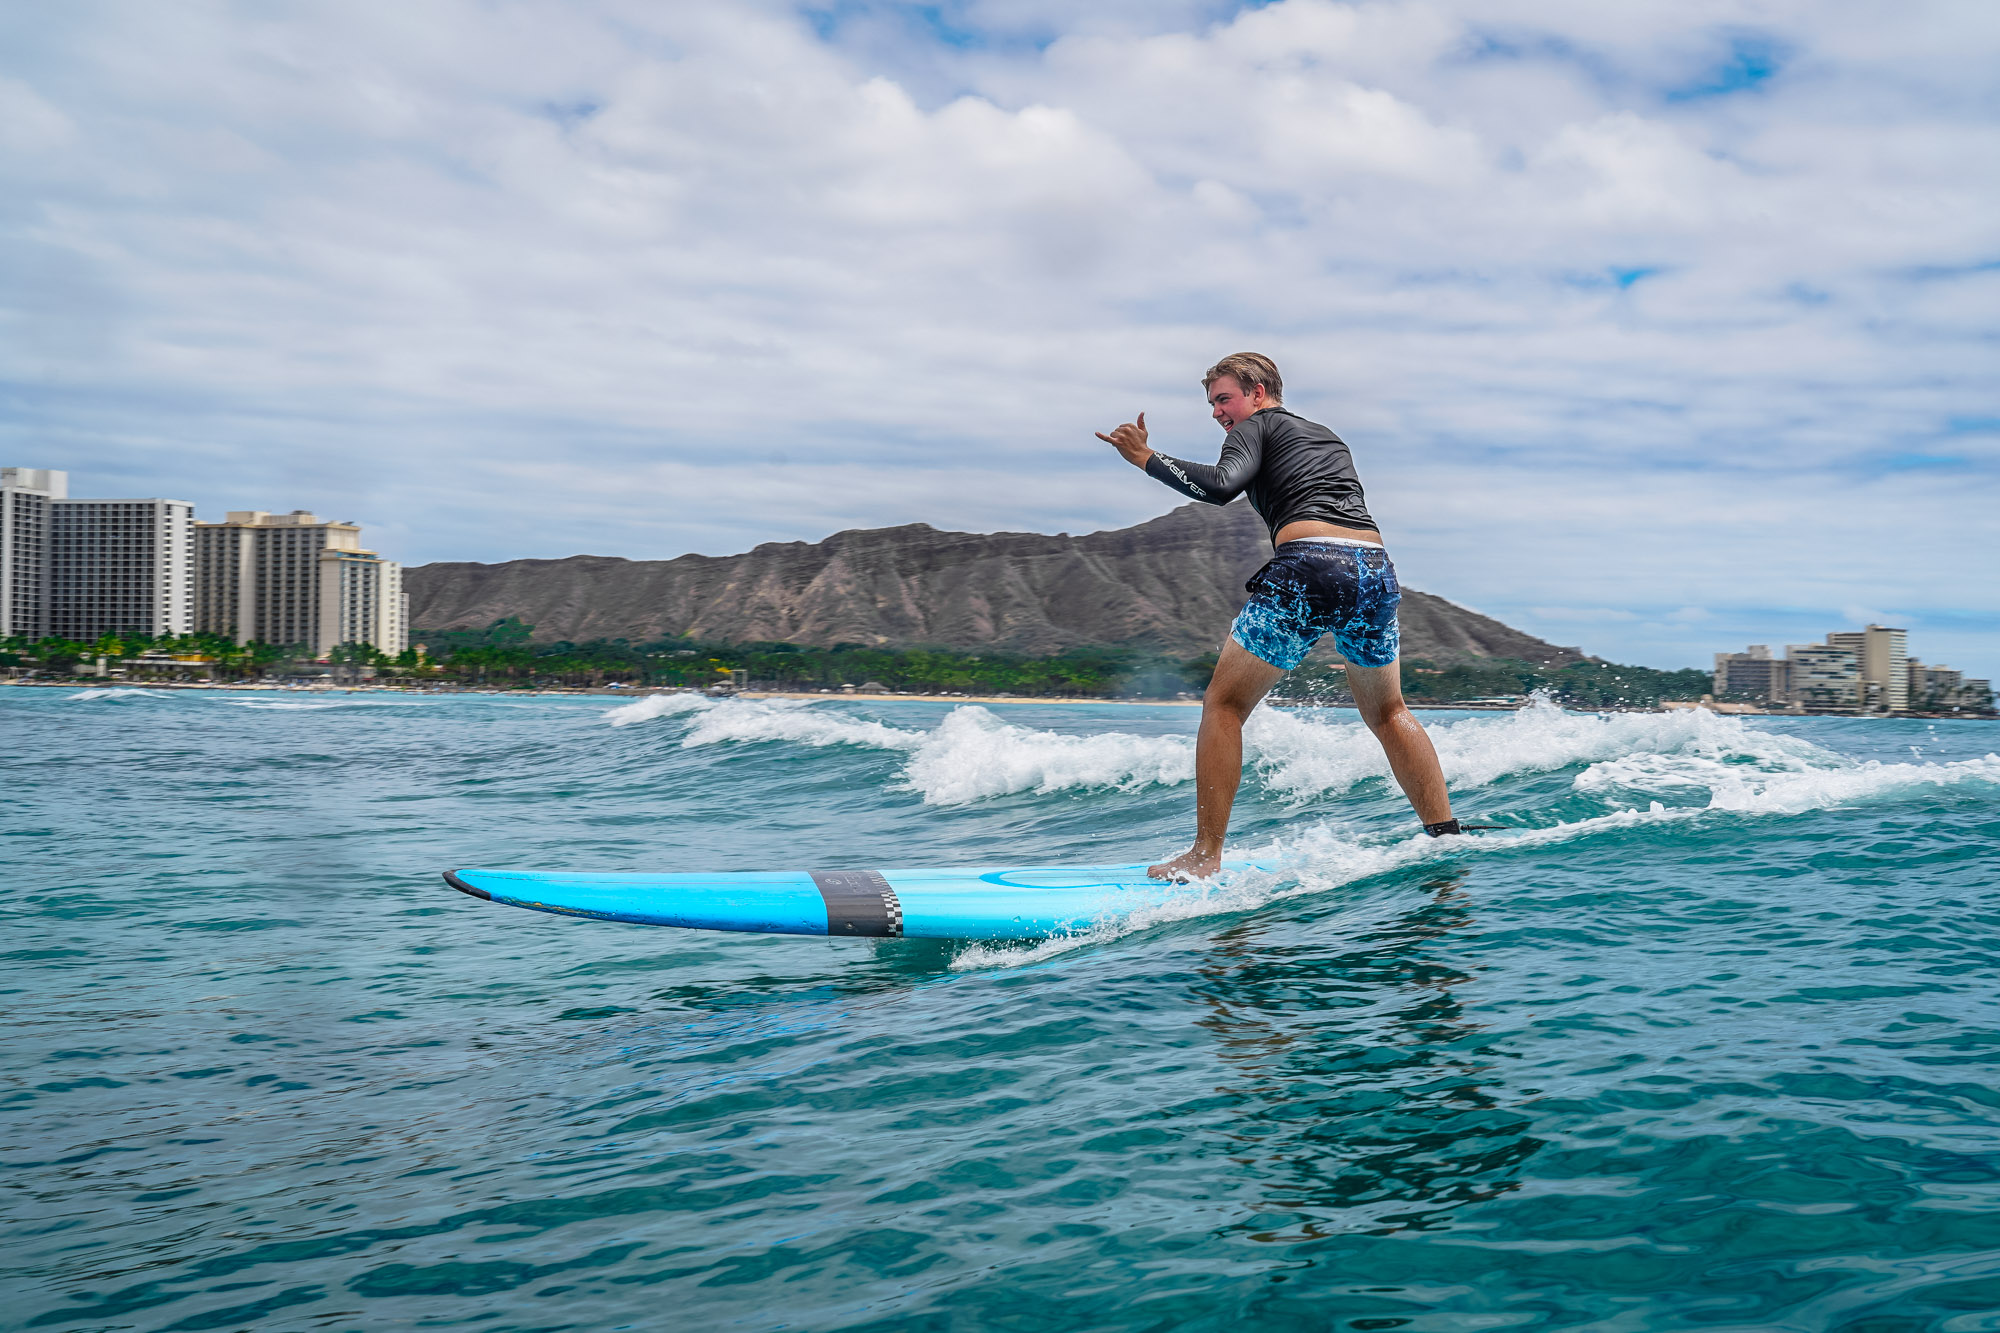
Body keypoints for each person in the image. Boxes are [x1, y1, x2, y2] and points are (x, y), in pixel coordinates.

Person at [1095, 352, 1461, 881]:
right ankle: (1445, 835)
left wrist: (1145, 458)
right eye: (1212, 404)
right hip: (1375, 571)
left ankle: (1205, 856)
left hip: (1312, 565)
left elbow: (1221, 486)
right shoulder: (1328, 437)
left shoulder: (1257, 425)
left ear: (1259, 392)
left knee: (1223, 706)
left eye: (1224, 399)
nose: (1218, 412)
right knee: (1388, 711)